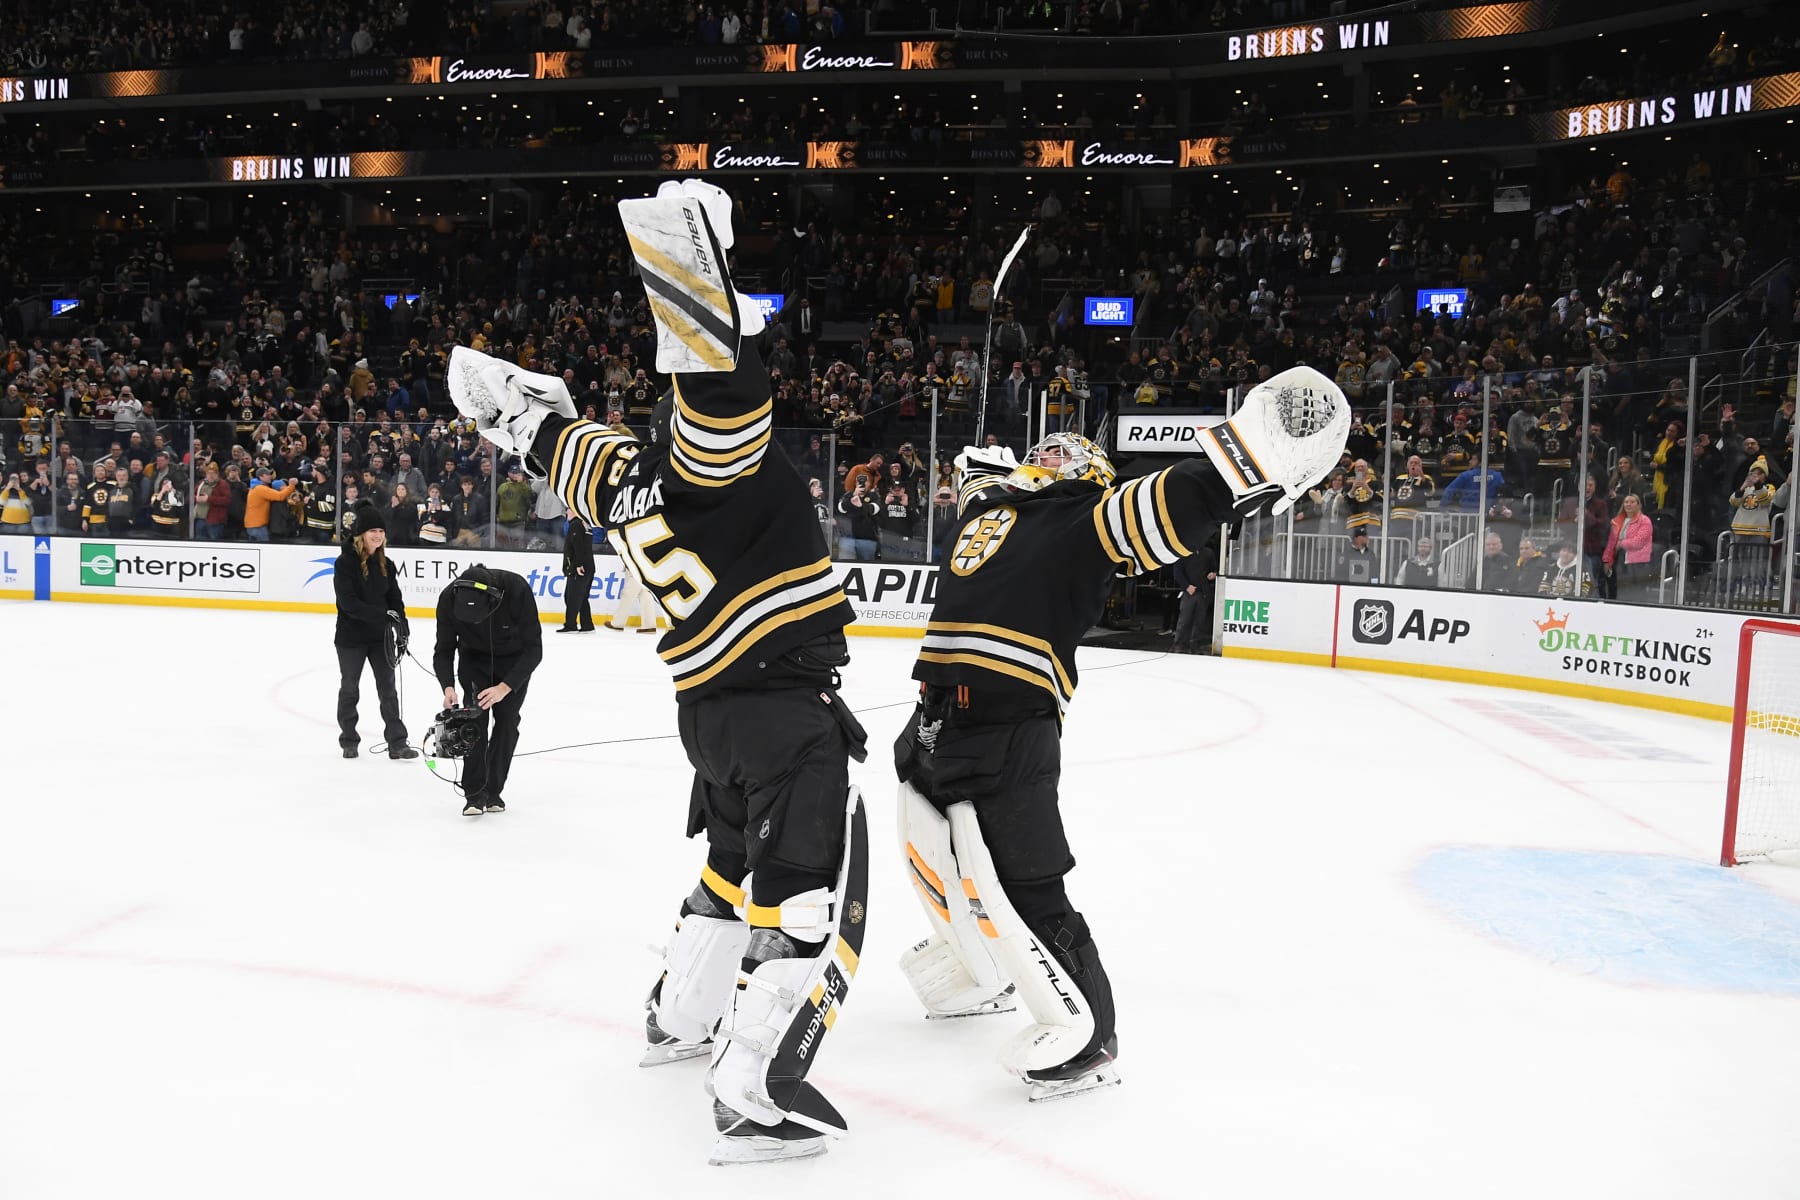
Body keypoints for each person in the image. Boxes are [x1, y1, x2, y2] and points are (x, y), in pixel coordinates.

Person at [448, 180, 868, 1165]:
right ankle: (755, 1091)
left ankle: (678, 1016)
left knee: (727, 870)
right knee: (803, 898)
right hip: (777, 711)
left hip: (708, 722)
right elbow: (722, 389)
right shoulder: (717, 466)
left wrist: (527, 416)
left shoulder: (632, 486)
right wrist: (693, 274)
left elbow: (561, 447)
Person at [892, 367, 1348, 1104]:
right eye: (1038, 450)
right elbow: (982, 509)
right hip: (937, 716)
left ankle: (1088, 1033)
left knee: (1023, 886)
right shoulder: (995, 512)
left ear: (1085, 476)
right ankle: (977, 970)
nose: (1040, 458)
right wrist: (982, 483)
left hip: (1010, 729)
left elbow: (1175, 502)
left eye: (1057, 455)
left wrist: (1243, 460)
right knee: (932, 854)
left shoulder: (1084, 519)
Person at [432, 564, 543, 816]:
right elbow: (444, 648)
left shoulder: (516, 589)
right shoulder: (448, 598)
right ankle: (473, 794)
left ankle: (493, 791)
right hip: (474, 662)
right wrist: (447, 685)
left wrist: (505, 687)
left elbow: (534, 649)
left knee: (506, 724)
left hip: (513, 663)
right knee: (473, 725)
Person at [332, 503, 416, 760]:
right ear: (361, 534)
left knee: (388, 689)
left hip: (380, 638)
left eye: (381, 530)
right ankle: (349, 739)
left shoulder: (386, 564)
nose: (377, 535)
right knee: (350, 688)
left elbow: (395, 599)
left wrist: (402, 626)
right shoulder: (345, 563)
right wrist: (382, 616)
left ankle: (397, 743)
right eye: (372, 531)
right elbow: (348, 603)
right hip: (351, 638)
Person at [1603, 491, 1655, 600]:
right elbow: (1611, 543)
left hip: (1638, 562)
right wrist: (1607, 560)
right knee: (1622, 591)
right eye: (1626, 502)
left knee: (1637, 593)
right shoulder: (1617, 521)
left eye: (1632, 502)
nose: (1628, 504)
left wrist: (1621, 543)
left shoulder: (1645, 521)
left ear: (1638, 505)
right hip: (1620, 559)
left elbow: (1639, 541)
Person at [560, 510, 597, 632]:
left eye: (569, 510)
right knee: (582, 597)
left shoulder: (575, 525)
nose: (567, 512)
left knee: (572, 597)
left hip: (579, 567)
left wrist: (578, 564)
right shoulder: (586, 525)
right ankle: (587, 624)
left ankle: (570, 624)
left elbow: (578, 545)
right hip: (589, 566)